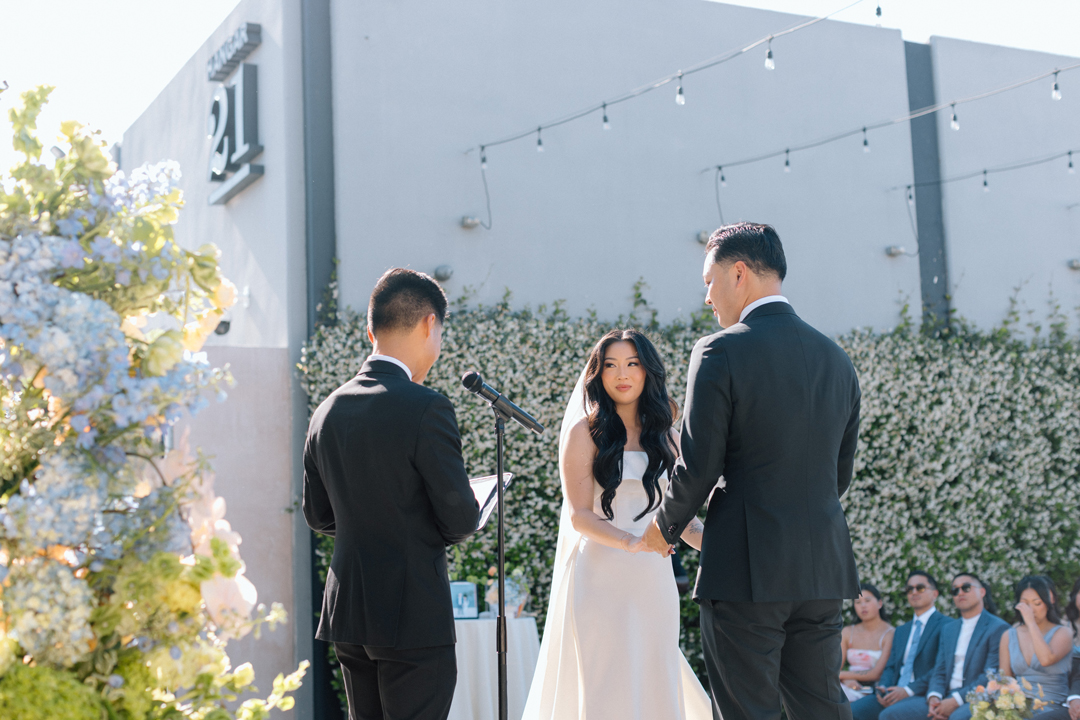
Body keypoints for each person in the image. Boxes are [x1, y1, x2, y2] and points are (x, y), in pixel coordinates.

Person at [641, 222, 862, 720]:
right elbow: (838, 476)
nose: (707, 297)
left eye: (709, 281)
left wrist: (663, 528)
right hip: (821, 566)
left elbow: (698, 466)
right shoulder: (837, 359)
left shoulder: (719, 350)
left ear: (738, 273)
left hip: (744, 567)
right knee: (822, 709)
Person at [303, 268, 480, 720]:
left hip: (349, 611)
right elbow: (460, 519)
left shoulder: (326, 410)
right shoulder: (427, 407)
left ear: (371, 333)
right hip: (413, 612)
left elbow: (318, 515)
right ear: (429, 324)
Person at [522, 329, 711, 720]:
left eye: (632, 364)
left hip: (653, 579)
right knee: (604, 681)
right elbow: (579, 515)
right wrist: (630, 542)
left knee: (654, 675)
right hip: (599, 576)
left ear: (647, 371)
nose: (622, 374)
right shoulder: (584, 433)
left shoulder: (669, 438)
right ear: (599, 374)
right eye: (610, 365)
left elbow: (684, 519)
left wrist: (722, 546)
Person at [881, 572, 1008, 720]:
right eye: (955, 590)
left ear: (982, 592)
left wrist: (955, 701)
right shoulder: (949, 629)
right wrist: (934, 696)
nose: (960, 593)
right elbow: (940, 669)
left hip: (974, 697)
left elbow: (990, 675)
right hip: (944, 695)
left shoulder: (998, 628)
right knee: (889, 715)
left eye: (966, 588)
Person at [851, 571, 954, 720]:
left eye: (920, 588)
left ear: (935, 593)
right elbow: (891, 666)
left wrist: (908, 690)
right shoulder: (901, 630)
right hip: (892, 692)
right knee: (850, 711)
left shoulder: (947, 625)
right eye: (909, 589)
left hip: (922, 694)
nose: (914, 592)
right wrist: (884, 688)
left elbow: (941, 668)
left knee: (889, 715)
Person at [999, 576, 1073, 706]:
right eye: (1025, 604)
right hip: (1020, 708)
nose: (1030, 610)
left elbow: (1046, 659)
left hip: (1053, 707)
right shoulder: (1008, 635)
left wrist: (1031, 623)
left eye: (1037, 603)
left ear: (1048, 603)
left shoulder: (1063, 632)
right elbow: (1005, 681)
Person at [840, 583, 896, 701]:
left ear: (879, 603)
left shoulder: (890, 633)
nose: (863, 606)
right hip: (846, 684)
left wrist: (840, 675)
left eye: (867, 600)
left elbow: (876, 674)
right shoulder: (847, 632)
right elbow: (836, 666)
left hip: (873, 690)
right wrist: (846, 680)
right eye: (858, 602)